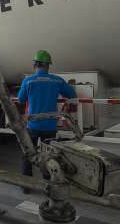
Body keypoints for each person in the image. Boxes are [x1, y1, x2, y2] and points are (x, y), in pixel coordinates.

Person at [17, 50, 76, 193]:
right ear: (48, 66)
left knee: (28, 154)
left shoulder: (28, 80)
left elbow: (20, 99)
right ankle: (47, 183)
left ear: (34, 64)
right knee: (49, 155)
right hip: (50, 125)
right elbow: (71, 94)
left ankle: (26, 185)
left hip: (33, 125)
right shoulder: (57, 80)